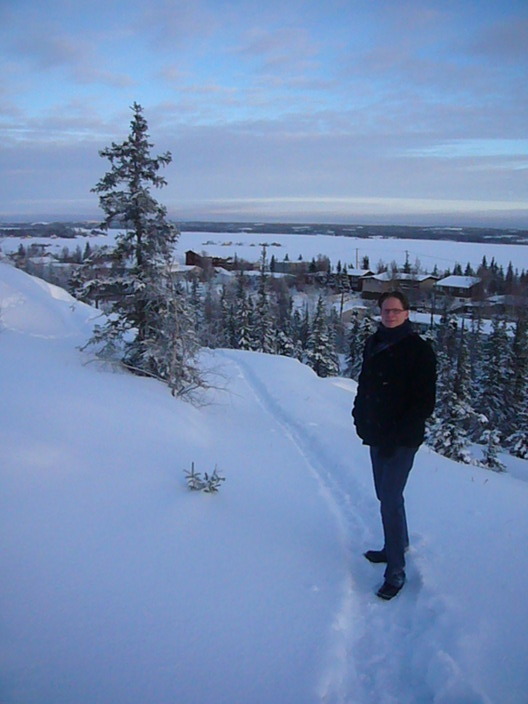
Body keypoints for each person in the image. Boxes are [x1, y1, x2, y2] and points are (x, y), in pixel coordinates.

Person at [352, 290, 436, 600]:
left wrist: (395, 436)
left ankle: (396, 570)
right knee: (386, 495)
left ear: (407, 313)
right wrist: (358, 415)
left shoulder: (419, 350)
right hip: (377, 433)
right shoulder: (374, 343)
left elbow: (423, 403)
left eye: (396, 311)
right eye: (386, 310)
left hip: (402, 438)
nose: (390, 315)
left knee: (388, 497)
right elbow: (366, 384)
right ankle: (396, 544)